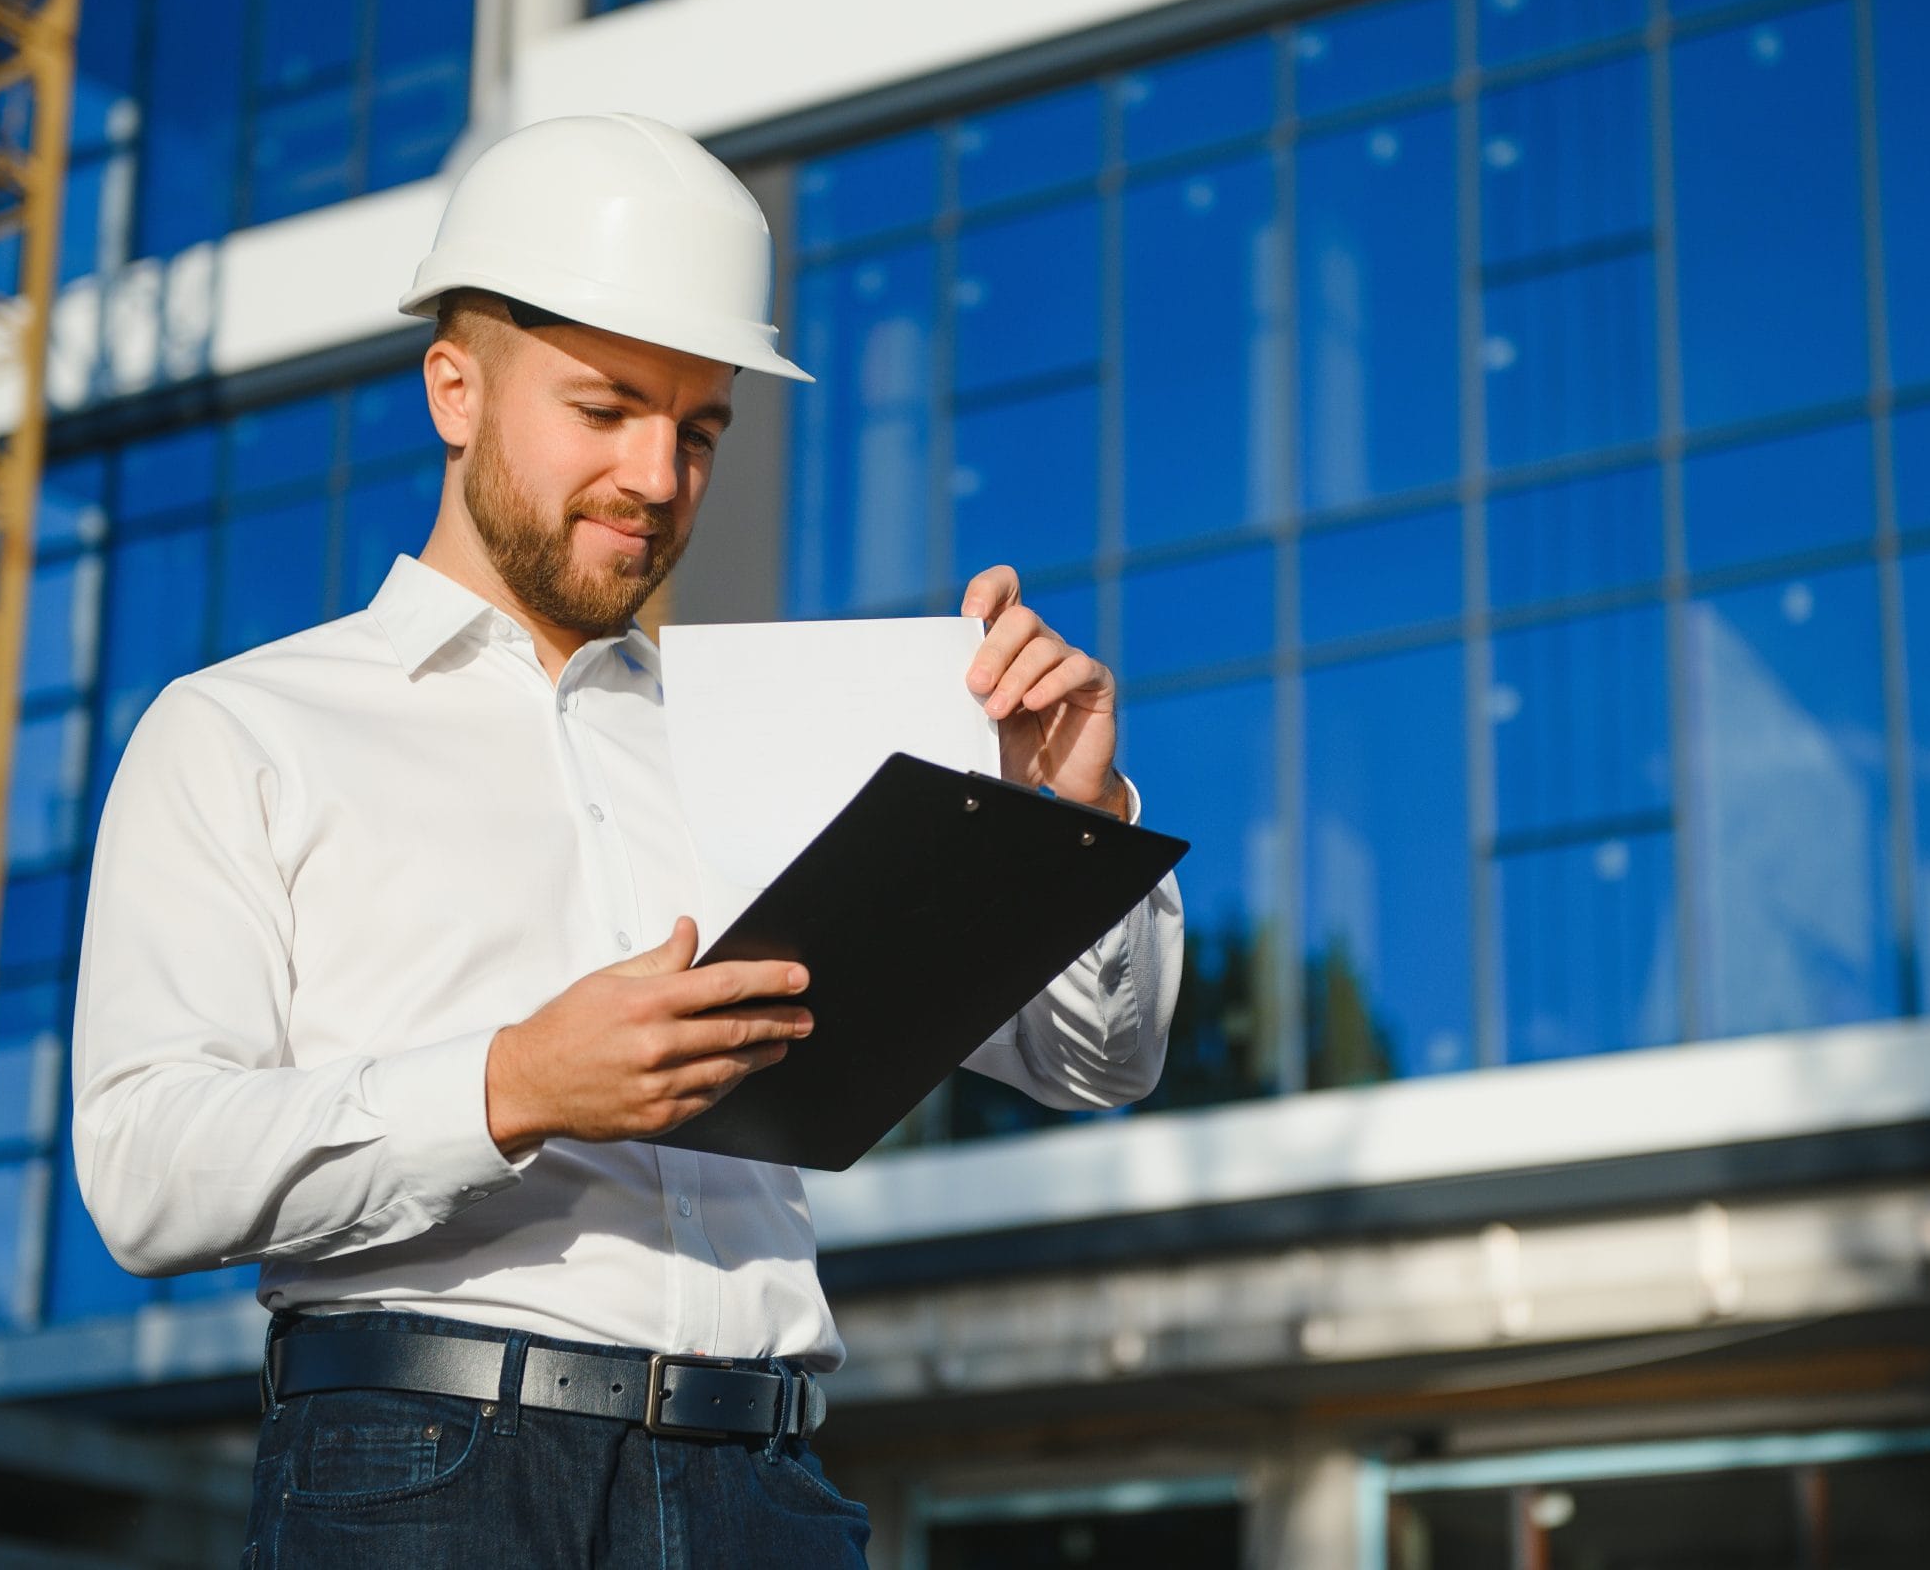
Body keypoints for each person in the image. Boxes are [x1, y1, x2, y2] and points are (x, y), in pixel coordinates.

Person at [69, 113, 1184, 1567]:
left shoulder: (787, 732)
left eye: (700, 428)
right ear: (454, 389)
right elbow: (147, 1169)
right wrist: (513, 1083)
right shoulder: (245, 731)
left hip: (766, 1486)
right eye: (605, 411)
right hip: (425, 1480)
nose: (659, 479)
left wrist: (1069, 818)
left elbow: (1099, 1061)